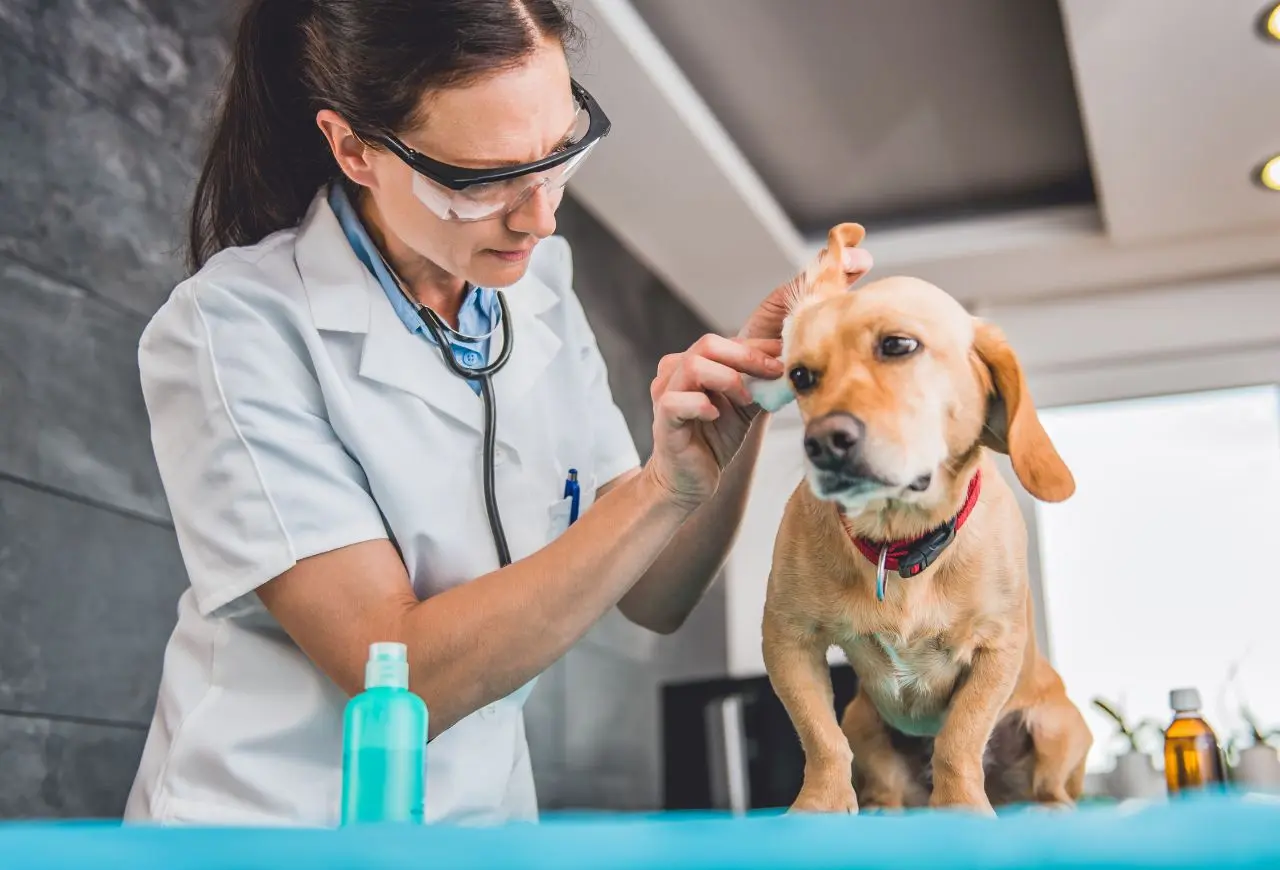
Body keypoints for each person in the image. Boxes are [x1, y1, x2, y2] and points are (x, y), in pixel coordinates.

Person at [124, 0, 873, 827]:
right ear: (355, 149)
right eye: (481, 181)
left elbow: (655, 595)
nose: (540, 217)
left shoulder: (540, 290)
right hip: (275, 830)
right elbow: (397, 676)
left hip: (483, 826)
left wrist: (744, 406)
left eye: (557, 155)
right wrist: (657, 489)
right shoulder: (236, 327)